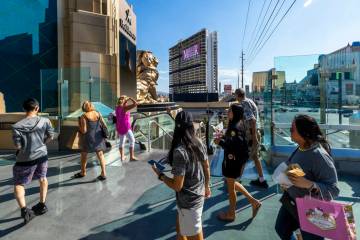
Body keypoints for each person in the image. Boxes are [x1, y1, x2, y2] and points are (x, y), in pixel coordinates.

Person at [275, 115, 339, 240]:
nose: (290, 131)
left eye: (292, 129)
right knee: (281, 228)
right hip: (292, 203)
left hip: (312, 210)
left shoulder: (319, 156)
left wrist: (308, 184)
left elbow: (333, 189)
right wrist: (286, 182)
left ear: (303, 132)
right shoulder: (300, 148)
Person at [151, 111, 211, 240]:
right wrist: (207, 186)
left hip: (188, 202)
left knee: (192, 234)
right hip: (197, 195)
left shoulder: (180, 151)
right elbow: (206, 166)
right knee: (180, 230)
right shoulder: (199, 143)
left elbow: (177, 186)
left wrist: (160, 175)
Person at [214, 104, 262, 221]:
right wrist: (223, 139)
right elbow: (234, 142)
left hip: (232, 161)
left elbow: (234, 146)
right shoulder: (237, 125)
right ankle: (253, 201)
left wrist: (219, 142)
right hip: (236, 161)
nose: (227, 112)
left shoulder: (234, 128)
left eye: (229, 110)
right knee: (232, 183)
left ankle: (231, 214)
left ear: (234, 113)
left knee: (231, 189)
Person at [12, 98, 54, 224]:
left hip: (25, 159)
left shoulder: (17, 126)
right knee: (43, 178)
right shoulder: (46, 121)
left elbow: (17, 146)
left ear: (24, 109)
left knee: (19, 184)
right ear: (37, 108)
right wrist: (42, 144)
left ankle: (25, 211)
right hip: (42, 155)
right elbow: (51, 136)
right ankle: (42, 205)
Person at [235, 88, 268, 188]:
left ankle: (237, 181)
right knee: (255, 157)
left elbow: (252, 120)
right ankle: (262, 180)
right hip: (254, 132)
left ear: (237, 95)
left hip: (250, 134)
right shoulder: (250, 101)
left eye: (235, 96)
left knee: (243, 156)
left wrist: (253, 137)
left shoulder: (244, 103)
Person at [73, 101, 107, 180]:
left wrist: (79, 127)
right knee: (100, 155)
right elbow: (104, 124)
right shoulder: (97, 113)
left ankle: (83, 172)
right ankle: (103, 173)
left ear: (84, 108)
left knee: (84, 155)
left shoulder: (84, 116)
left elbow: (84, 131)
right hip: (98, 137)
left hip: (88, 138)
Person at [115, 95, 138, 162]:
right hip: (125, 126)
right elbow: (135, 104)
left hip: (119, 126)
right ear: (125, 100)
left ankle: (122, 157)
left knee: (122, 142)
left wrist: (125, 101)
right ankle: (132, 157)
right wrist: (130, 98)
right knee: (132, 140)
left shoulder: (117, 107)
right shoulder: (124, 108)